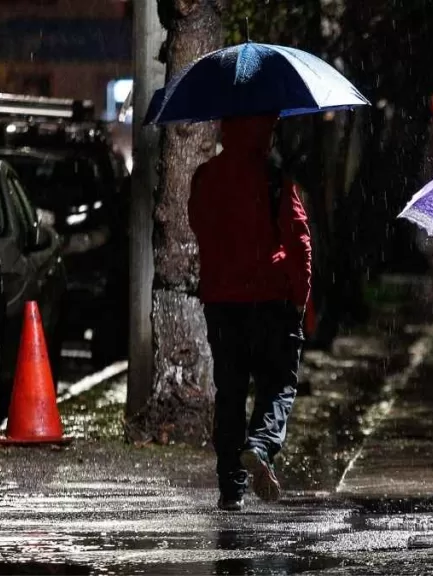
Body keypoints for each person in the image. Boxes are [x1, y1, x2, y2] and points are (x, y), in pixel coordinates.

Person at [188, 114, 312, 510]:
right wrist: (301, 296)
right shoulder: (274, 179)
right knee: (278, 384)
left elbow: (199, 226)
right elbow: (299, 241)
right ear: (265, 133)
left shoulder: (205, 177)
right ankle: (260, 445)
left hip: (222, 303)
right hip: (271, 301)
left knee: (230, 393)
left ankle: (231, 487)